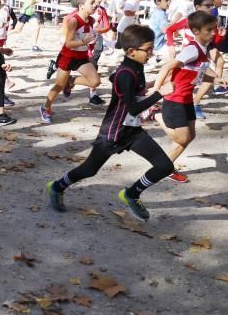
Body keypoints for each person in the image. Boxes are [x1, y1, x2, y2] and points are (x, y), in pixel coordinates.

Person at [46, 24, 175, 220]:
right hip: (113, 133)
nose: (151, 53)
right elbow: (133, 107)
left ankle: (132, 193)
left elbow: (122, 84)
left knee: (165, 166)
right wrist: (159, 93)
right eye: (148, 49)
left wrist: (147, 86)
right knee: (89, 169)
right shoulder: (126, 72)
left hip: (132, 131)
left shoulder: (136, 66)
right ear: (131, 51)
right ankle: (57, 186)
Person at [153, 11, 219, 183]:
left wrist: (216, 78)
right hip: (176, 100)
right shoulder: (192, 49)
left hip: (187, 99)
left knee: (190, 137)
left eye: (215, 29)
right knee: (183, 138)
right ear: (196, 31)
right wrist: (156, 90)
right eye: (209, 30)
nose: (213, 33)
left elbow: (198, 73)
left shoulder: (203, 50)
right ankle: (156, 116)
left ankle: (164, 168)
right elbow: (167, 67)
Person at [40, 0, 103, 123]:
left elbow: (86, 38)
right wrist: (83, 42)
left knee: (95, 81)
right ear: (81, 5)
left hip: (82, 57)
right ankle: (45, 108)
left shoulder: (91, 20)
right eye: (91, 3)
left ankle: (72, 81)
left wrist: (92, 38)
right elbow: (68, 44)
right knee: (58, 86)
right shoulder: (74, 21)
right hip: (67, 57)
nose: (95, 5)